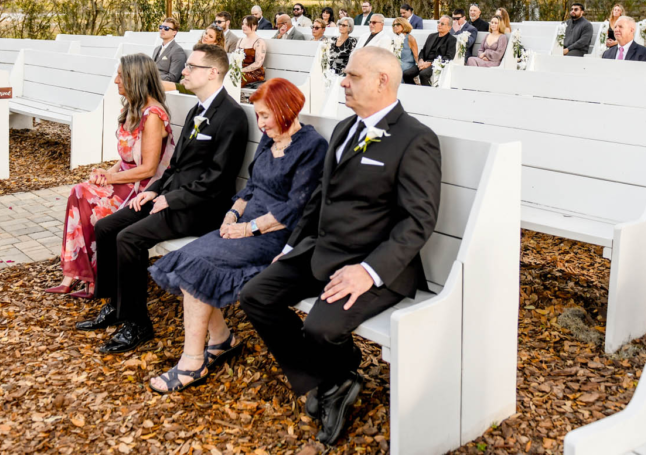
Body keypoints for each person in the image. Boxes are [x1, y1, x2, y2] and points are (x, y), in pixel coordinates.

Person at [239, 48, 442, 446]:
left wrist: (367, 272)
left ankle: (334, 379)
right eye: (344, 75)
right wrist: (291, 246)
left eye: (352, 76)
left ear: (382, 80)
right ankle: (335, 380)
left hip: (374, 264)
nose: (343, 82)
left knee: (320, 327)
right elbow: (320, 197)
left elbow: (417, 221)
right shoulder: (345, 128)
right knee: (255, 295)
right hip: (321, 249)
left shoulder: (415, 140)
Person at [148, 79, 327, 392]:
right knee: (188, 257)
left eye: (266, 115)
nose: (261, 123)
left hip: (274, 236)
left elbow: (296, 208)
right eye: (257, 115)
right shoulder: (269, 139)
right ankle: (220, 339)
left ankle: (192, 361)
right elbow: (252, 187)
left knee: (199, 265)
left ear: (287, 110)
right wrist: (232, 214)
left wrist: (248, 228)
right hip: (243, 225)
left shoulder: (312, 146)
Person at [77, 44, 250, 354]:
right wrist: (153, 191)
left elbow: (218, 178)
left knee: (129, 239)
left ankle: (138, 323)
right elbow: (174, 166)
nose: (183, 70)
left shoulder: (232, 116)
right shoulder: (199, 110)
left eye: (191, 67)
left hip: (202, 207)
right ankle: (116, 305)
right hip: (172, 197)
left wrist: (173, 199)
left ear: (213, 72)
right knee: (107, 227)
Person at [49, 53, 176, 298]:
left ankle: (89, 276)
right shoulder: (133, 108)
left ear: (135, 78)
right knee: (81, 191)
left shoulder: (152, 115)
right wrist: (107, 172)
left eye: (121, 75)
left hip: (142, 188)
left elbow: (149, 169)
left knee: (84, 195)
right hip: (126, 181)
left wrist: (108, 180)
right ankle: (78, 274)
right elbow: (127, 159)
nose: (116, 80)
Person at [415, 17, 457, 85]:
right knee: (407, 73)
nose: (439, 25)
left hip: (436, 64)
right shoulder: (431, 36)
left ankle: (427, 94)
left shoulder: (451, 39)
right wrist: (421, 60)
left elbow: (449, 57)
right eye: (438, 22)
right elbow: (423, 50)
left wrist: (430, 63)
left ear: (449, 27)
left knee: (423, 74)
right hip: (424, 62)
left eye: (442, 24)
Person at [153, 18, 188, 82]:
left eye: (166, 28)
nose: (162, 30)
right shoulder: (157, 49)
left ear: (174, 32)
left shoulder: (177, 51)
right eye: (161, 27)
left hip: (164, 86)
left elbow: (173, 77)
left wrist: (151, 77)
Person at [239, 15, 268, 86]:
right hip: (240, 71)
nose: (243, 26)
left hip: (254, 73)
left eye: (247, 24)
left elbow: (258, 63)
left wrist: (242, 70)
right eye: (243, 24)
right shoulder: (240, 40)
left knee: (236, 79)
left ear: (254, 26)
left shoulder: (259, 42)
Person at [391, 17, 420, 82]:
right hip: (396, 62)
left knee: (397, 70)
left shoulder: (410, 38)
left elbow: (416, 55)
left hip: (407, 64)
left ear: (404, 25)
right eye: (394, 25)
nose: (395, 26)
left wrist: (419, 67)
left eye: (398, 25)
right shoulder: (394, 38)